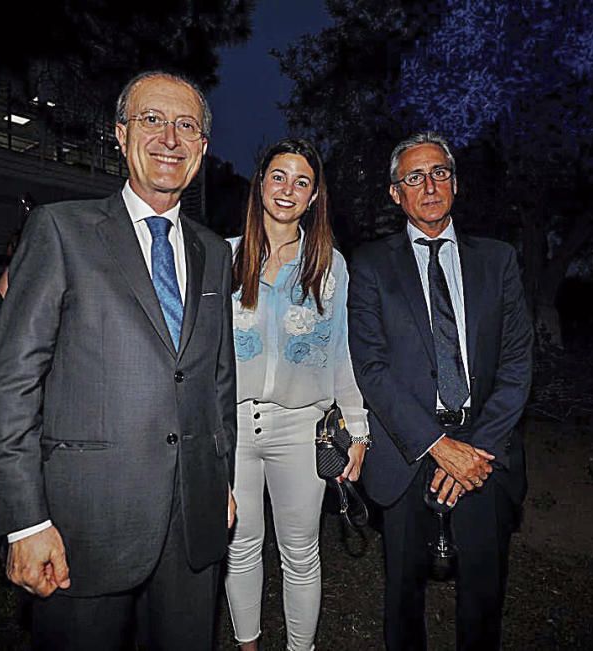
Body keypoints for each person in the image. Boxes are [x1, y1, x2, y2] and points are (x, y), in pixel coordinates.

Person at [0, 70, 237, 650]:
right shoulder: (60, 230)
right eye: (152, 120)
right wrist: (25, 521)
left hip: (192, 521)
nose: (170, 138)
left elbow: (218, 380)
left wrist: (219, 479)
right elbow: (13, 385)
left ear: (201, 147)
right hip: (85, 523)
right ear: (120, 135)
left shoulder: (214, 252)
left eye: (186, 125)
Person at [348, 132, 533, 650]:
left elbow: (518, 362)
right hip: (408, 450)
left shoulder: (497, 261)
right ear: (395, 193)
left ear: (456, 183)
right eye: (414, 177)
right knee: (403, 600)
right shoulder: (370, 265)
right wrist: (437, 446)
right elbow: (371, 366)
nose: (429, 185)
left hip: (484, 452)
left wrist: (478, 450)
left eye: (440, 173)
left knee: (483, 598)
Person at [225, 138, 369, 650]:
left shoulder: (330, 265)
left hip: (301, 428)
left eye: (301, 181)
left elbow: (343, 351)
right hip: (234, 427)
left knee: (301, 551)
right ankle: (248, 646)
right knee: (241, 546)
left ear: (314, 197)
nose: (288, 189)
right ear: (260, 183)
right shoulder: (223, 257)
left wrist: (357, 428)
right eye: (279, 176)